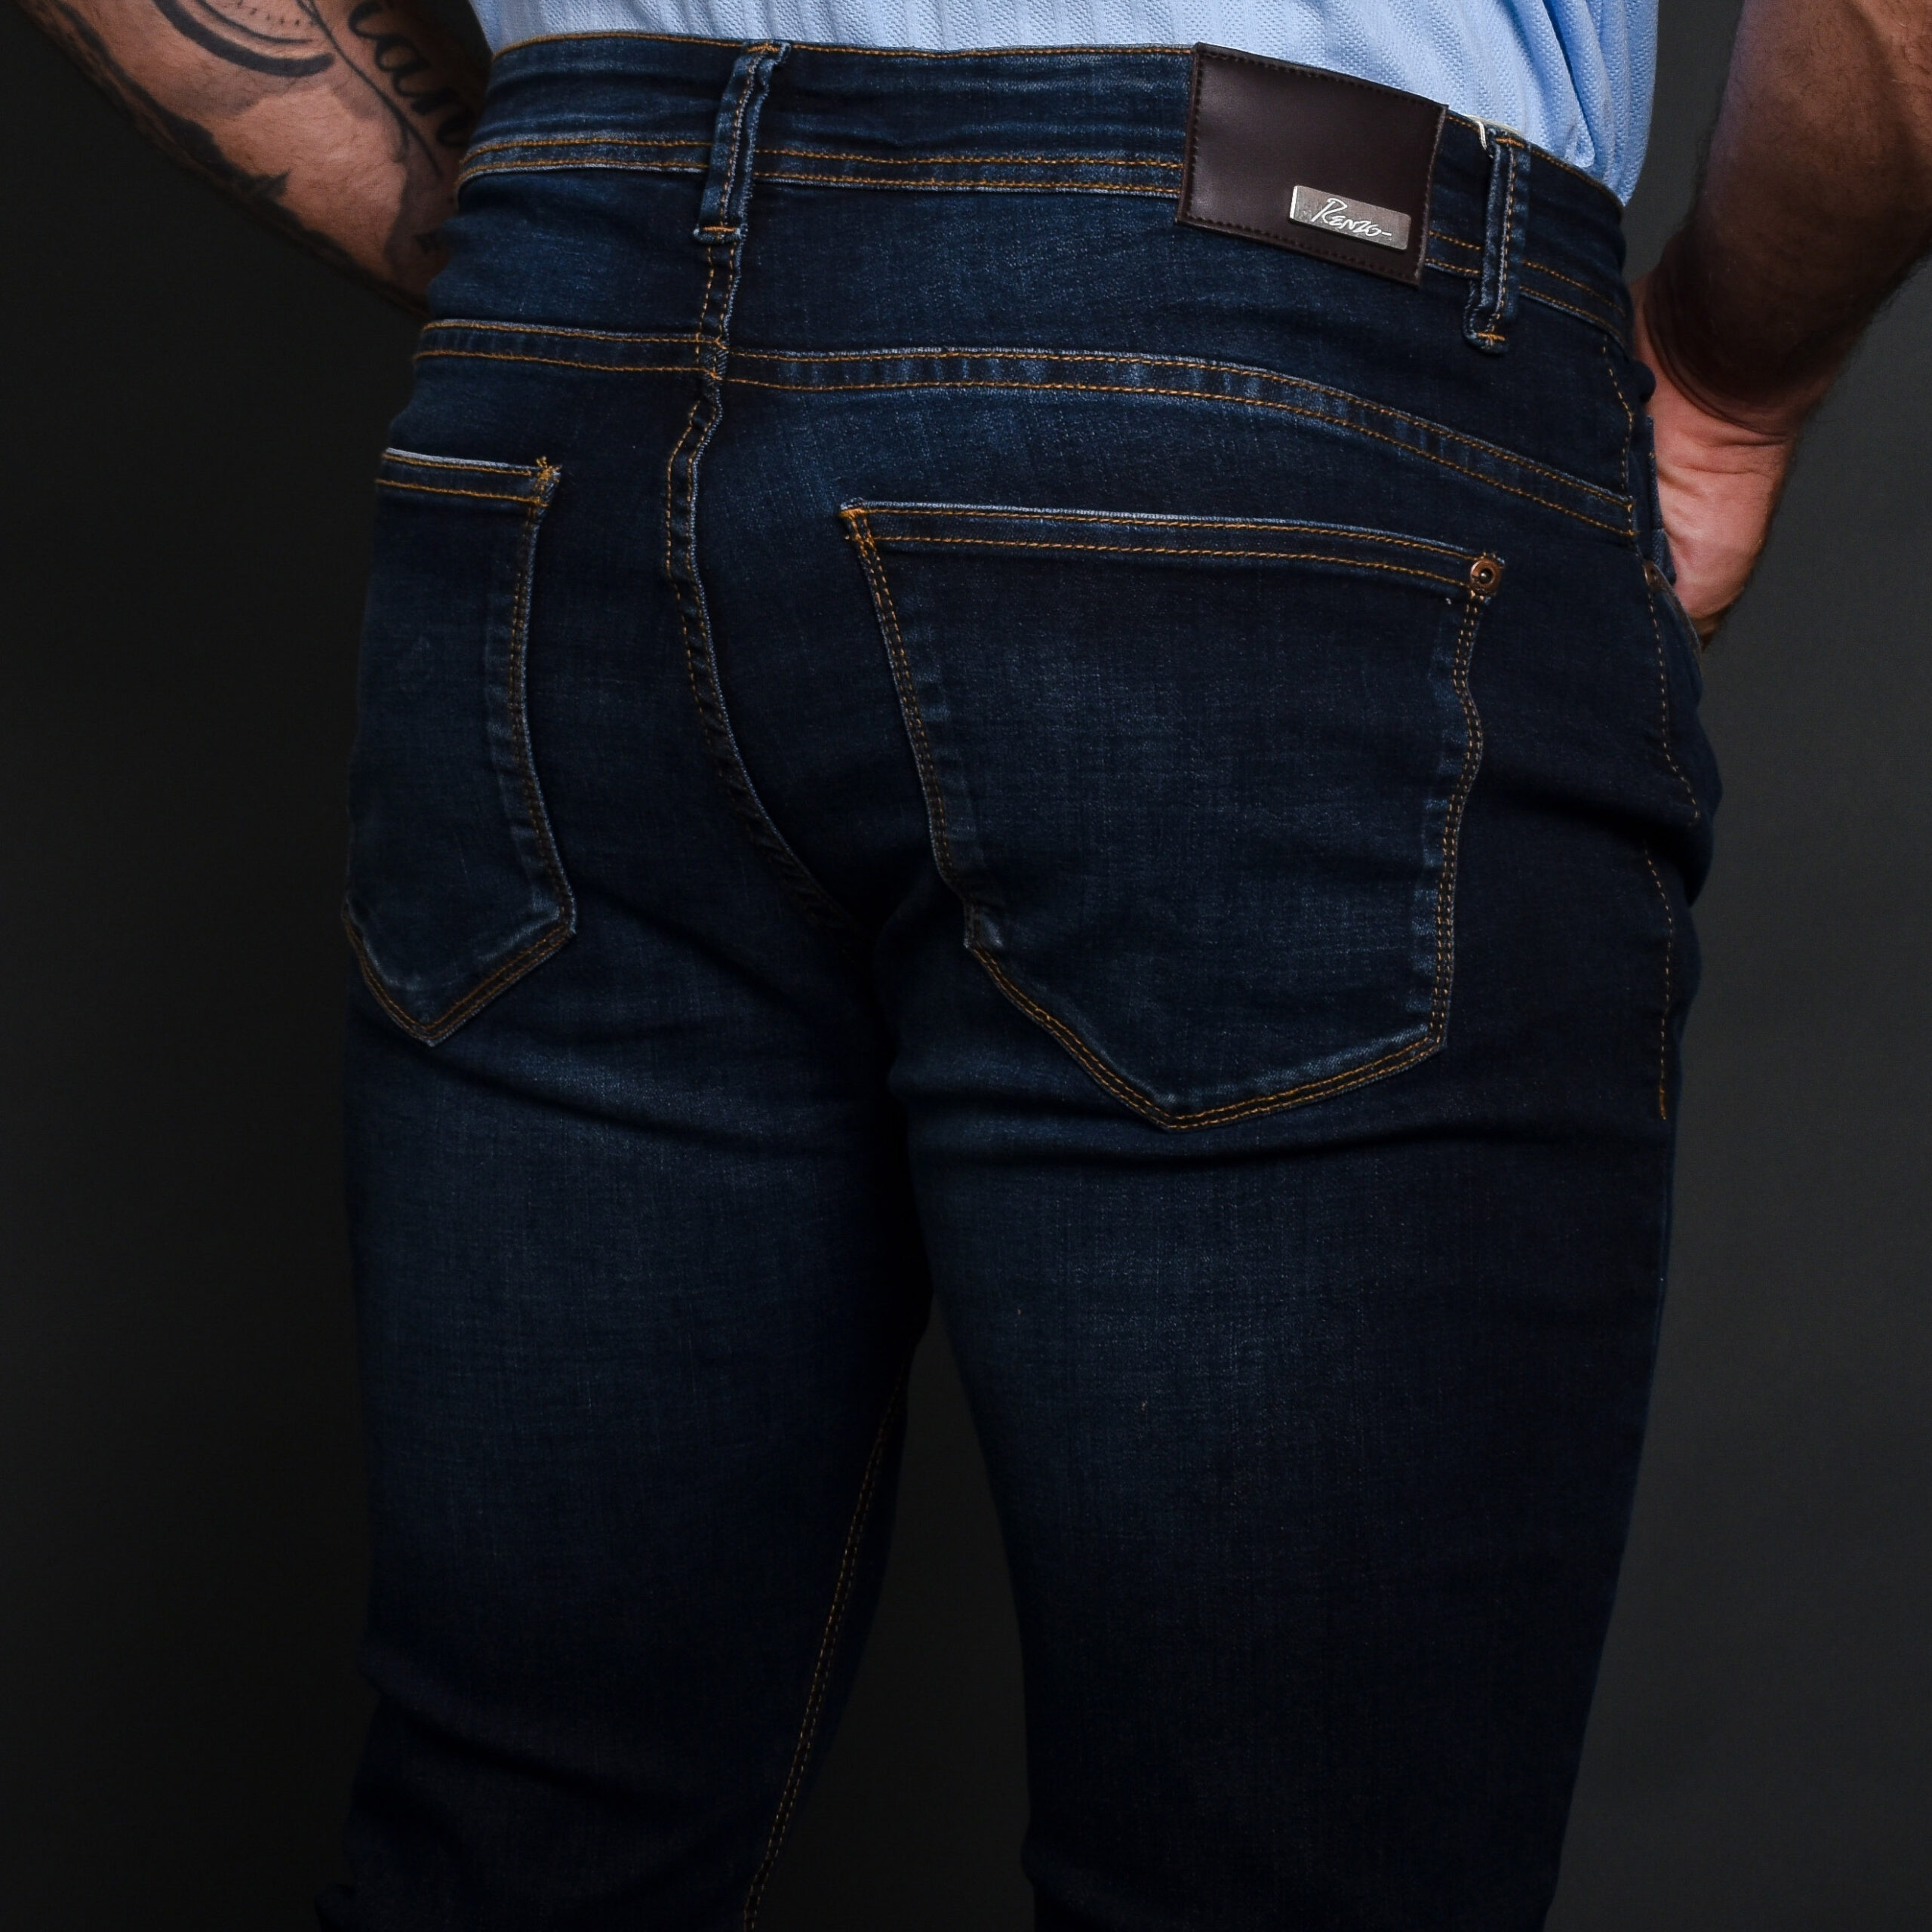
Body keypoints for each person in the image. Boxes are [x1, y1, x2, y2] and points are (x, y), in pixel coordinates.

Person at [13, 2, 1928, 1926]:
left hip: (574, 364)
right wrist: (1728, 377)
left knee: (524, 1845)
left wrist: (589, 233)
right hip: (1272, 328)